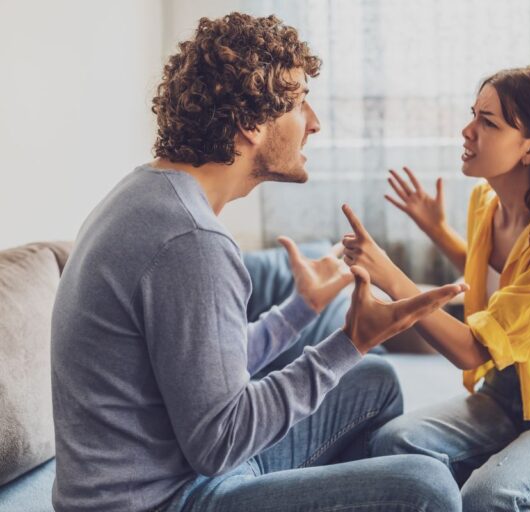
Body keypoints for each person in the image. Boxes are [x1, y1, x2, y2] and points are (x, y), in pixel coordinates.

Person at [50, 13, 465, 512]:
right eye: (298, 103)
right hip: (165, 500)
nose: (314, 122)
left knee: (373, 382)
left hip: (184, 472)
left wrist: (301, 310)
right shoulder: (191, 240)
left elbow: (201, 369)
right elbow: (220, 441)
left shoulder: (148, 193)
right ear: (250, 124)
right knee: (427, 486)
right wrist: (353, 340)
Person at [340, 66, 530, 511]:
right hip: (504, 394)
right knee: (391, 444)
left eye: (488, 122)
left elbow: (473, 349)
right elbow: (502, 282)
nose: (467, 129)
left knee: (489, 497)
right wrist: (439, 230)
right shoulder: (488, 203)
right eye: (473, 114)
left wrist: (390, 276)